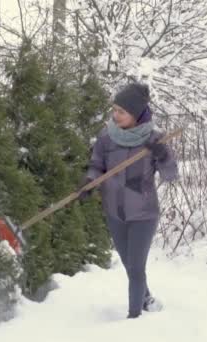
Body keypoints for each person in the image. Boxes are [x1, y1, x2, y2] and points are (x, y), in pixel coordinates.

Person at [79, 82, 179, 319]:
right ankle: (146, 299)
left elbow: (171, 176)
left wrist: (162, 155)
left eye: (121, 111)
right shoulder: (106, 138)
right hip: (115, 213)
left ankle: (134, 319)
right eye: (114, 110)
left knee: (136, 269)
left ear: (136, 114)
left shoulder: (154, 139)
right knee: (130, 266)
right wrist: (88, 183)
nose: (115, 115)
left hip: (143, 214)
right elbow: (96, 166)